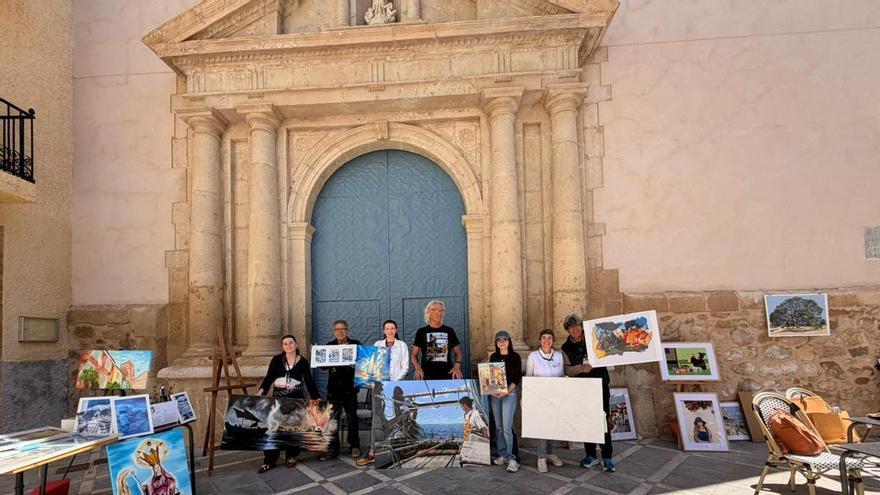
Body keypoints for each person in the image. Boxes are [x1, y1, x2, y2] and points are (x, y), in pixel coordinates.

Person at [256, 334, 320, 473]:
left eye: (291, 343)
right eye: (285, 344)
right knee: (274, 429)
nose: (288, 346)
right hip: (278, 400)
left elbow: (309, 380)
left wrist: (316, 398)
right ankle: (269, 460)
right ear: (282, 347)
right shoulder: (276, 360)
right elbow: (268, 378)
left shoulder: (302, 361)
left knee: (293, 428)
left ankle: (291, 456)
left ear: (295, 344)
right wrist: (260, 393)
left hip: (296, 399)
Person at [561, 314, 615, 472]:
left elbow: (609, 352)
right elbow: (567, 369)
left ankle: (607, 457)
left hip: (600, 384)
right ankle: (590, 455)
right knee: (586, 421)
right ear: (568, 330)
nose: (575, 329)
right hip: (582, 387)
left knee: (603, 420)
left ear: (582, 326)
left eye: (577, 326)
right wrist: (580, 369)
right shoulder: (565, 347)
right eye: (571, 327)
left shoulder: (594, 339)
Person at [357, 319, 409, 466]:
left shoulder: (402, 345)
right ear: (384, 330)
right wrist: (372, 380)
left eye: (392, 328)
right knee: (377, 418)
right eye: (387, 328)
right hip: (379, 387)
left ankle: (399, 449)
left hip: (395, 386)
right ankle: (373, 452)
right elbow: (371, 366)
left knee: (397, 415)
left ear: (396, 330)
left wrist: (393, 382)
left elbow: (405, 367)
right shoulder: (377, 345)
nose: (390, 331)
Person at [525, 328, 566, 473]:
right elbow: (529, 378)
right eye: (543, 338)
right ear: (539, 341)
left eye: (549, 338)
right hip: (539, 398)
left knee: (552, 426)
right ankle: (541, 457)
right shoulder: (533, 356)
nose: (546, 341)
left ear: (553, 341)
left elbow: (561, 375)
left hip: (555, 398)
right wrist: (525, 399)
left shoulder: (559, 356)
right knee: (542, 427)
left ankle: (549, 452)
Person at [321, 320, 362, 460]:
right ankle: (332, 449)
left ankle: (355, 446)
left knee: (352, 419)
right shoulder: (329, 346)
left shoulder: (355, 344)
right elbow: (323, 367)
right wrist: (319, 357)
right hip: (333, 389)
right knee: (332, 421)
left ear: (347, 330)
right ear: (334, 332)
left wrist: (354, 365)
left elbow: (363, 364)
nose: (340, 332)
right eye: (337, 329)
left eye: (343, 329)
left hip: (350, 388)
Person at [489, 330, 522, 473]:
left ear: (509, 341)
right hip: (495, 395)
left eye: (505, 339)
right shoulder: (493, 356)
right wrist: (493, 390)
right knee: (499, 426)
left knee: (508, 427)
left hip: (509, 394)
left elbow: (516, 377)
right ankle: (502, 454)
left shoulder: (515, 357)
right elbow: (490, 376)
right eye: (499, 339)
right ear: (496, 343)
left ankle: (513, 458)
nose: (502, 342)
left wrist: (506, 391)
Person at [411, 300, 463, 380]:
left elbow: (458, 352)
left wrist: (457, 366)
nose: (437, 313)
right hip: (426, 375)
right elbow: (414, 355)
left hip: (447, 375)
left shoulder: (449, 331)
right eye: (434, 310)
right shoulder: (421, 332)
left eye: (440, 310)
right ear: (428, 312)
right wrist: (418, 368)